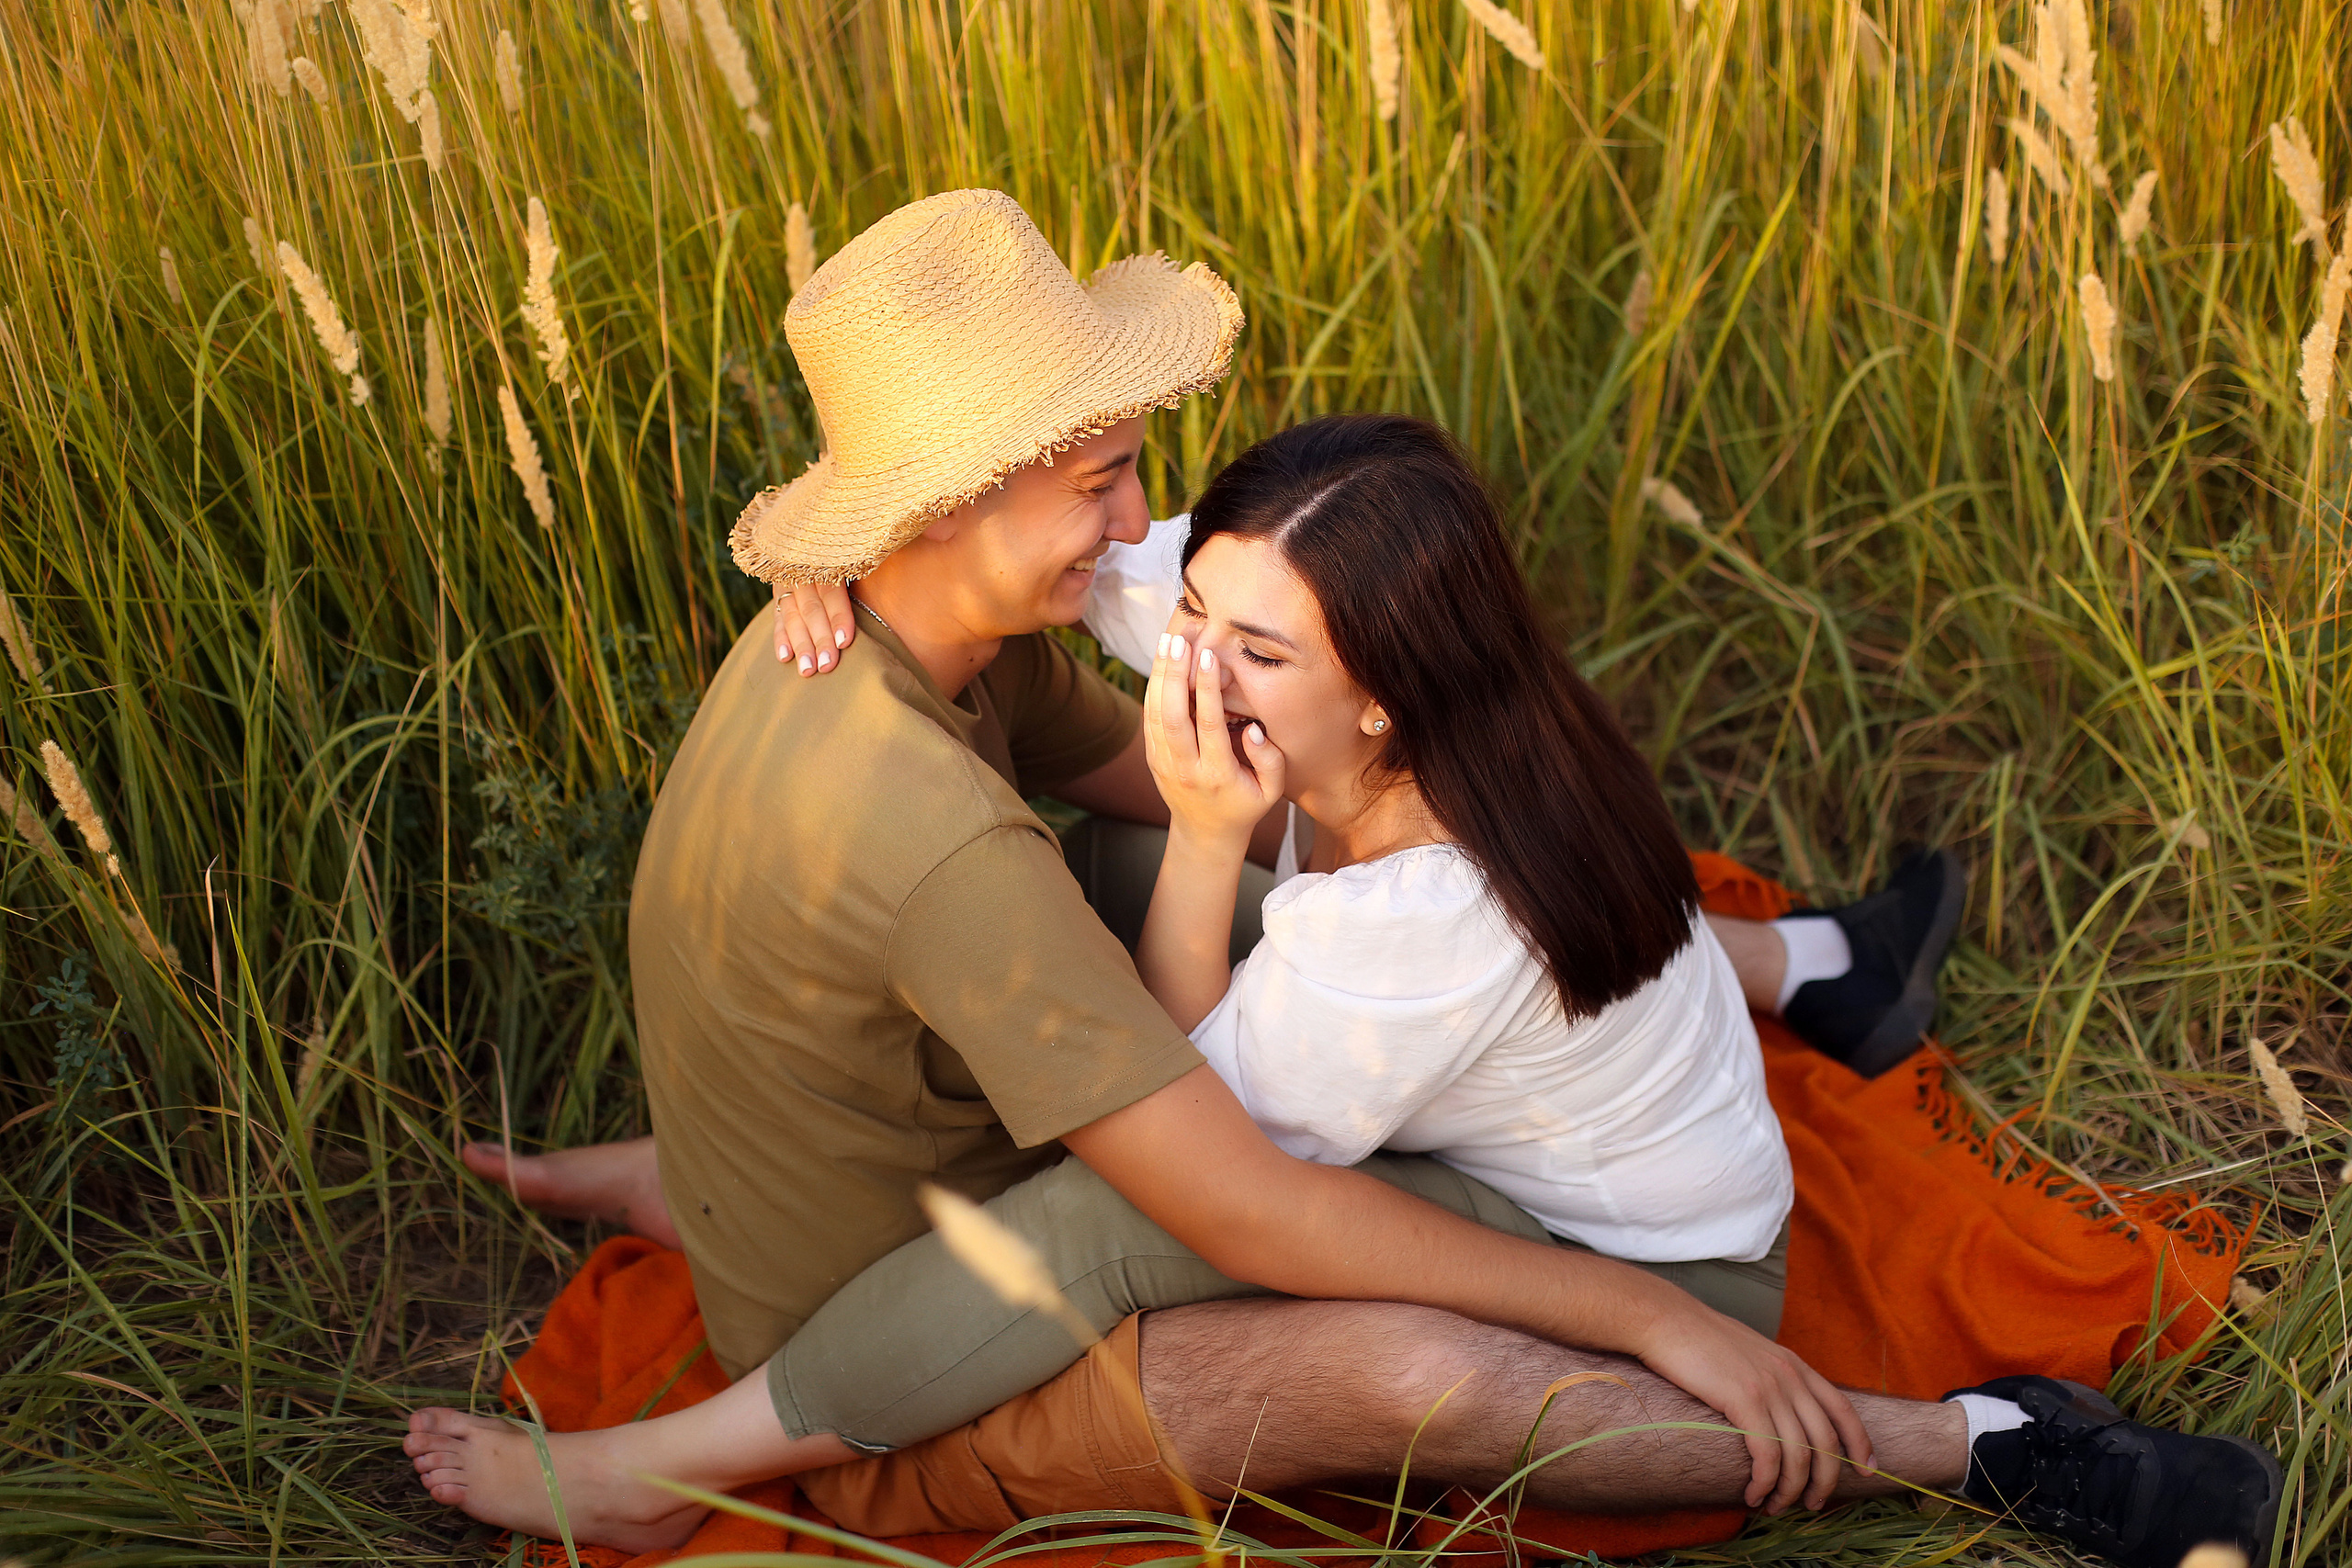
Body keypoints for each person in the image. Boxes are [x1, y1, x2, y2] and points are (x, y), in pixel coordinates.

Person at [404, 191, 2281, 1568]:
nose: (1148, 564)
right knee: (1164, 860)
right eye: (1124, 506)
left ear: (1374, 682)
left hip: (1663, 1252)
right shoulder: (1310, 647)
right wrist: (843, 564)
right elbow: (1159, 626)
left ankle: (1966, 1442)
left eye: (1224, 609)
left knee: (1104, 1216)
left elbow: (1198, 1180)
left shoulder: (1404, 921)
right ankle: (1813, 968)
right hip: (1523, 1029)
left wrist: (1211, 845)